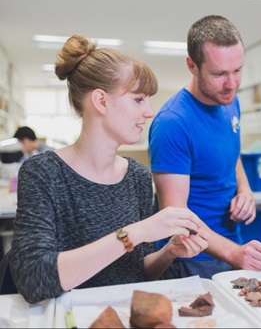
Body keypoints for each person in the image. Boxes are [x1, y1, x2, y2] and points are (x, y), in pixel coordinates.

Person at [9, 35, 209, 304]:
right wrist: (135, 233)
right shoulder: (43, 173)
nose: (150, 112)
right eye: (139, 100)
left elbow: (139, 272)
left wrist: (170, 251)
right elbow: (34, 280)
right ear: (101, 101)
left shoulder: (137, 176)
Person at [149, 15, 261, 279]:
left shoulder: (229, 102)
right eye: (219, 73)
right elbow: (176, 217)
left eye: (237, 71)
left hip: (232, 243)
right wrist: (234, 253)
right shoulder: (172, 123)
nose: (231, 84)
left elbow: (231, 157)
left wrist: (245, 190)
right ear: (192, 65)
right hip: (192, 258)